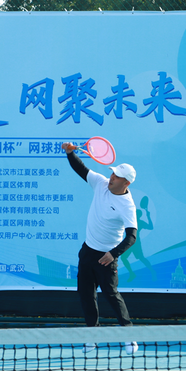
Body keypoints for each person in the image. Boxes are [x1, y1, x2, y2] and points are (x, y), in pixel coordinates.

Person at [61, 141, 139, 354]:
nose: (112, 178)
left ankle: (129, 336)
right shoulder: (101, 183)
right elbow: (81, 169)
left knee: (111, 295)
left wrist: (113, 254)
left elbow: (132, 236)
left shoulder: (127, 206)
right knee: (86, 295)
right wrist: (70, 153)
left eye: (117, 176)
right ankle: (92, 337)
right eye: (112, 173)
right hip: (88, 251)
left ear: (126, 183)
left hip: (106, 257)